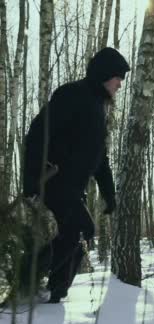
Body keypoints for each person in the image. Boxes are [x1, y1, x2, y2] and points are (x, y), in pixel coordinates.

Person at [22, 47, 130, 303]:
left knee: (79, 232)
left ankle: (54, 290)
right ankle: (28, 278)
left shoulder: (97, 108)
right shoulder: (72, 95)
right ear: (105, 74)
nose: (120, 85)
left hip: (71, 187)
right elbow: (37, 133)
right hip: (52, 179)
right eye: (119, 78)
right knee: (81, 230)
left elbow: (99, 156)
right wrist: (32, 177)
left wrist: (109, 192)